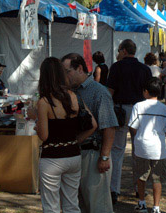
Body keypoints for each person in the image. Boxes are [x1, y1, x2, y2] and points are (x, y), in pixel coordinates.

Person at [36, 57, 97, 213]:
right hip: (73, 155)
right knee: (71, 204)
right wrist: (76, 141)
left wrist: (36, 123)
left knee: (51, 206)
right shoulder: (74, 96)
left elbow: (44, 136)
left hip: (52, 158)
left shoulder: (44, 102)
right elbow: (93, 125)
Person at [61, 53, 118, 213]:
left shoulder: (98, 91)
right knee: (78, 204)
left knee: (97, 205)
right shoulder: (70, 92)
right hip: (75, 154)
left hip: (93, 154)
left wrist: (104, 157)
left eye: (67, 72)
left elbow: (109, 126)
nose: (65, 76)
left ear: (79, 68)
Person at [107, 39, 152, 203]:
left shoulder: (116, 67)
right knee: (138, 151)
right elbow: (149, 92)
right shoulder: (144, 69)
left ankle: (114, 190)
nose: (118, 53)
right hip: (140, 111)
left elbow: (109, 91)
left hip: (120, 111)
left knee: (117, 151)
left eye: (119, 50)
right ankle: (139, 189)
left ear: (124, 51)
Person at [128, 78, 166, 213]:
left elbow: (133, 126)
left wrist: (140, 136)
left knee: (141, 176)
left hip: (141, 146)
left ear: (146, 92)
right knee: (157, 178)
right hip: (158, 148)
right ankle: (156, 207)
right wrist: (159, 135)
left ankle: (142, 203)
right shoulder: (164, 108)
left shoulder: (138, 106)